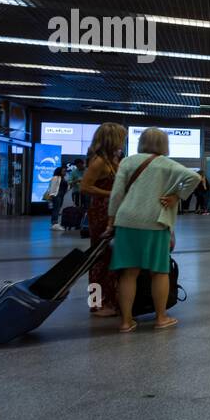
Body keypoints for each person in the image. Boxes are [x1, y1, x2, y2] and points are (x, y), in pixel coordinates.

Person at [107, 127, 201, 332]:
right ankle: (161, 318)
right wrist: (177, 195)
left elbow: (115, 195)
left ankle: (126, 322)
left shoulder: (127, 161)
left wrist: (110, 221)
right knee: (159, 272)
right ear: (164, 144)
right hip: (155, 222)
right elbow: (194, 178)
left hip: (126, 221)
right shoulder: (167, 164)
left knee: (129, 274)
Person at [81, 122, 126, 318]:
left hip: (110, 210)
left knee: (109, 258)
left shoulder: (111, 160)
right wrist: (110, 192)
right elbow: (85, 187)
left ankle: (109, 299)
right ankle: (96, 303)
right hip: (100, 212)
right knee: (99, 258)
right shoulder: (99, 161)